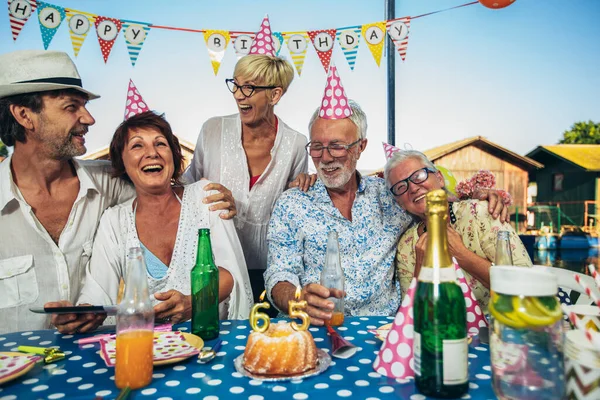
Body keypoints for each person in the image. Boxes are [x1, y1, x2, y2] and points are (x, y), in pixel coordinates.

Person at [0, 50, 235, 334]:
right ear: (25, 115)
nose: (89, 118)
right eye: (71, 106)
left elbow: (160, 188)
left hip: (98, 360)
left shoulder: (107, 183)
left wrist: (217, 196)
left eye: (160, 144)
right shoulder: (114, 205)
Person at [265, 98, 509, 326]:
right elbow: (280, 271)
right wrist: (296, 298)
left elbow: (431, 196)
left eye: (337, 146)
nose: (325, 158)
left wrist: (475, 197)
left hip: (383, 333)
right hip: (313, 328)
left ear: (360, 147)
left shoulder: (391, 194)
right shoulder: (292, 204)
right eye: (317, 147)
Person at [50, 112, 253, 334]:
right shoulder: (114, 221)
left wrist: (193, 302)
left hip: (210, 338)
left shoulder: (206, 197)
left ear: (173, 156)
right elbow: (98, 290)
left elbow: (229, 271)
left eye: (160, 144)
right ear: (121, 162)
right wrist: (81, 315)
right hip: (153, 349)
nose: (152, 153)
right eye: (137, 146)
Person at [182, 54, 310, 303]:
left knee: (263, 338)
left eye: (249, 88)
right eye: (236, 85)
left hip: (268, 269)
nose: (239, 95)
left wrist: (305, 184)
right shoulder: (212, 129)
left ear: (275, 95)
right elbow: (188, 187)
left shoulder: (296, 143)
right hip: (214, 265)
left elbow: (292, 208)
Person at [384, 149, 532, 310]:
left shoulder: (481, 213)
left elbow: (527, 286)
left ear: (439, 178)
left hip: (498, 327)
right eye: (400, 187)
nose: (412, 188)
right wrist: (421, 265)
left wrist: (462, 255)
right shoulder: (407, 245)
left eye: (418, 176)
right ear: (399, 203)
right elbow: (411, 316)